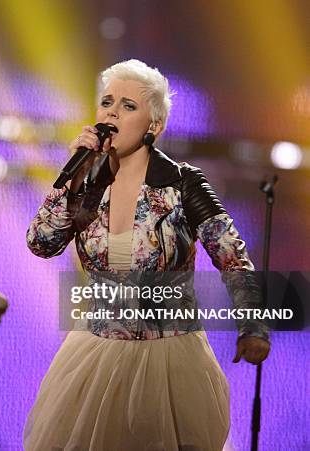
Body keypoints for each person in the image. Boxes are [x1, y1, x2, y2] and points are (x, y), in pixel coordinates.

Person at [24, 60, 270, 451]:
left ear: (153, 126)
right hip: (96, 351)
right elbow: (41, 243)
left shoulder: (181, 183)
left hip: (169, 356)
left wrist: (253, 326)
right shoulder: (86, 185)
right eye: (107, 102)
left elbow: (233, 258)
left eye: (127, 106)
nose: (111, 112)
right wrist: (71, 180)